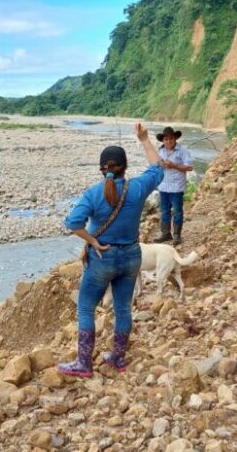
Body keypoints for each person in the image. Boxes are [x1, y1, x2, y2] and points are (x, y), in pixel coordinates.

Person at [57, 123, 164, 377]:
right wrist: (145, 140)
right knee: (123, 308)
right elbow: (158, 167)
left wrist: (92, 241)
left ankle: (84, 363)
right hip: (131, 255)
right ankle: (117, 357)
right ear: (125, 168)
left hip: (102, 257)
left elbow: (72, 223)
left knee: (85, 307)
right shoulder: (137, 188)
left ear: (101, 168)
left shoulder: (93, 194)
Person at [152, 126, 193, 245]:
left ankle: (177, 236)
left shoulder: (182, 151)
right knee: (164, 211)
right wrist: (161, 165)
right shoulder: (160, 151)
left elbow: (189, 167)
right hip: (163, 186)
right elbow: (156, 165)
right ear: (163, 140)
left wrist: (173, 165)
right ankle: (165, 234)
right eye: (166, 139)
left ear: (175, 139)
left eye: (171, 138)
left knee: (177, 211)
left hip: (177, 187)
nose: (169, 141)